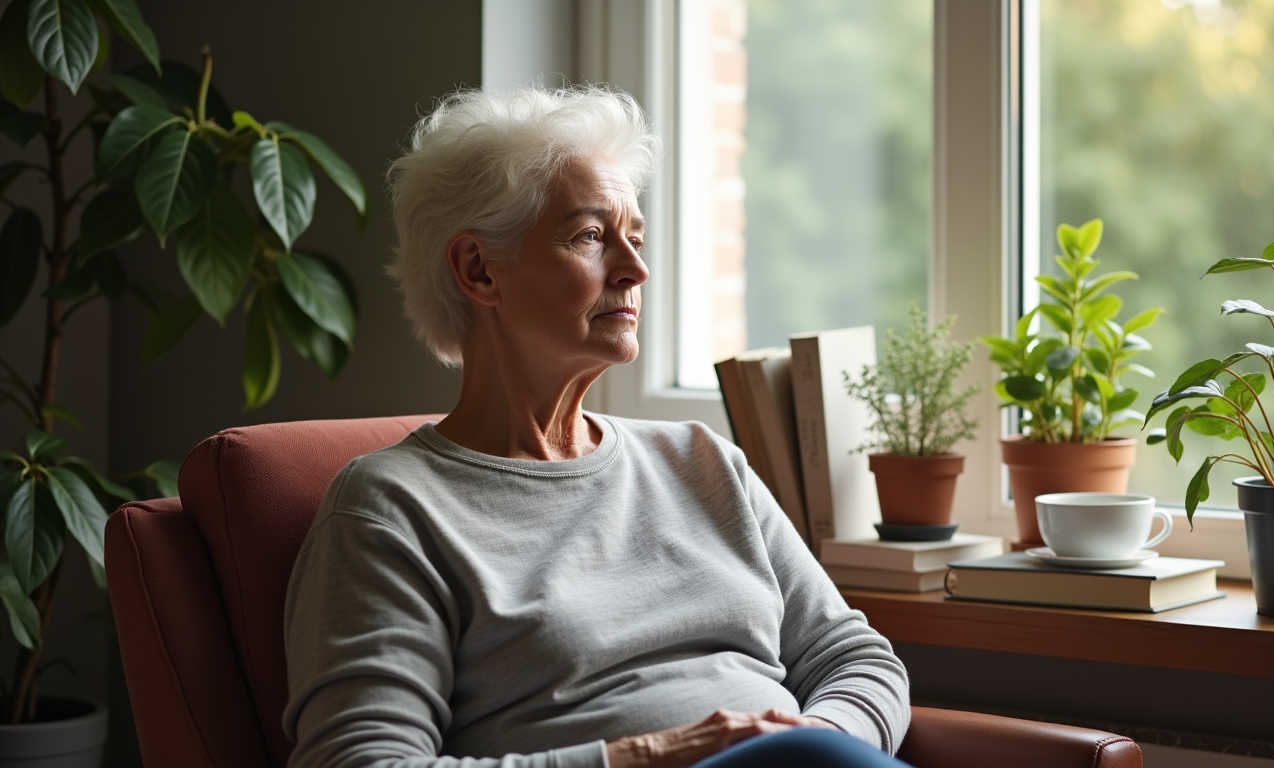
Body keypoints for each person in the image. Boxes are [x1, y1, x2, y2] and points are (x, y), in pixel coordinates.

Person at [281, 85, 912, 768]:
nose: (635, 268)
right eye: (589, 236)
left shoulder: (701, 461)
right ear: (477, 269)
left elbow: (856, 659)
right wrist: (648, 756)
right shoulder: (391, 507)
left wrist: (818, 742)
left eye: (634, 238)